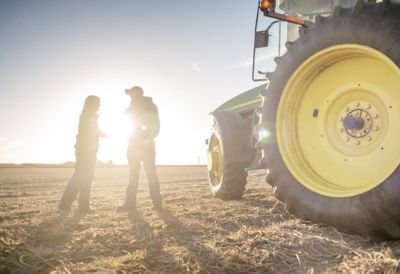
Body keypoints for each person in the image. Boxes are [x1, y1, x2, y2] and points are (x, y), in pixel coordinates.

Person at [118, 86, 162, 212]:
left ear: (139, 94)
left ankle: (157, 203)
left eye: (133, 94)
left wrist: (146, 139)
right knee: (133, 174)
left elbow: (155, 126)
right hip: (132, 145)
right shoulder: (129, 109)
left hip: (146, 145)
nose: (132, 96)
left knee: (151, 174)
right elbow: (124, 125)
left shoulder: (150, 106)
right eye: (131, 95)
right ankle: (130, 203)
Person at [59, 95, 103, 214]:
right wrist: (108, 134)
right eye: (97, 103)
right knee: (80, 178)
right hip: (85, 151)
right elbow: (93, 131)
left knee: (86, 178)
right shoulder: (88, 116)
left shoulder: (90, 115)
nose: (99, 105)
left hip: (87, 150)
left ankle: (83, 207)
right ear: (91, 103)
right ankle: (65, 205)